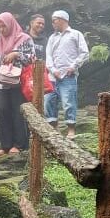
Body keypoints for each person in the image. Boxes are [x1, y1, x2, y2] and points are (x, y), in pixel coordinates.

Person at [0, 12, 35, 155]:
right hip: (3, 82)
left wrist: (16, 54)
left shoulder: (24, 38)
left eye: (4, 26)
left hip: (19, 82)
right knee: (1, 110)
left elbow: (32, 58)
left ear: (11, 23)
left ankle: (19, 144)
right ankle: (5, 145)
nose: (2, 29)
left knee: (18, 112)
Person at [44, 10, 89, 139]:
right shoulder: (52, 38)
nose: (52, 23)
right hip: (53, 76)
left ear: (63, 19)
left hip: (68, 76)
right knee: (49, 102)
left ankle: (71, 129)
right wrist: (52, 70)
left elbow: (84, 53)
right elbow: (48, 56)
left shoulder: (75, 34)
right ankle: (54, 128)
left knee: (69, 102)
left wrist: (73, 66)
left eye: (55, 20)